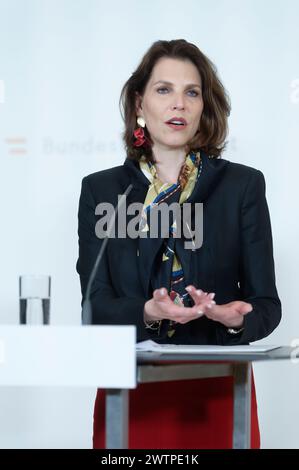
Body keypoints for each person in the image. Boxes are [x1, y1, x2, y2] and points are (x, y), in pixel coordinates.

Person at [76, 39, 281, 449]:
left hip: (219, 392)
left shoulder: (242, 186)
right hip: (131, 393)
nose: (179, 104)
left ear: (205, 106)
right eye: (163, 89)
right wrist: (148, 311)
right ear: (139, 103)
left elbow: (266, 306)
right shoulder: (102, 191)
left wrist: (235, 317)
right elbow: (94, 307)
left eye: (192, 92)